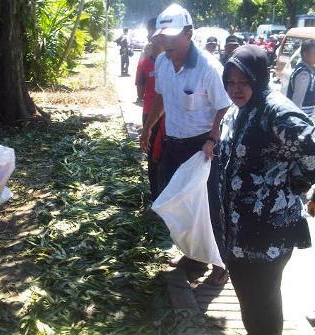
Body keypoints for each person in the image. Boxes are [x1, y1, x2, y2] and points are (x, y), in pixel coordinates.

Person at [219, 44, 315, 335]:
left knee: (262, 301)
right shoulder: (241, 110)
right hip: (239, 228)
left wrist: (297, 183)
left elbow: (311, 150)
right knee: (251, 300)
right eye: (230, 82)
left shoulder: (277, 112)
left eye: (243, 82)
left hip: (267, 231)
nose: (236, 89)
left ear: (258, 79)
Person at [140, 4, 231, 286]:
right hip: (173, 143)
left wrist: (213, 138)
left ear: (189, 33)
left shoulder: (209, 67)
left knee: (209, 205)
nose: (166, 42)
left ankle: (221, 262)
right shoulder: (162, 63)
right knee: (176, 202)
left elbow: (224, 106)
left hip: (203, 147)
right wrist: (148, 128)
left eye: (173, 36)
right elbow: (161, 99)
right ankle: (194, 254)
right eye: (162, 36)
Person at [135, 34, 165, 201]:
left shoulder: (170, 63)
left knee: (157, 153)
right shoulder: (146, 64)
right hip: (154, 113)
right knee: (154, 152)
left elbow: (140, 90)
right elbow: (139, 90)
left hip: (163, 114)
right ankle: (156, 195)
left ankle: (158, 195)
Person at [287, 39, 315, 118]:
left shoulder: (308, 69)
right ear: (305, 54)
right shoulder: (303, 73)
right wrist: (298, 119)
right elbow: (298, 100)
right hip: (301, 115)